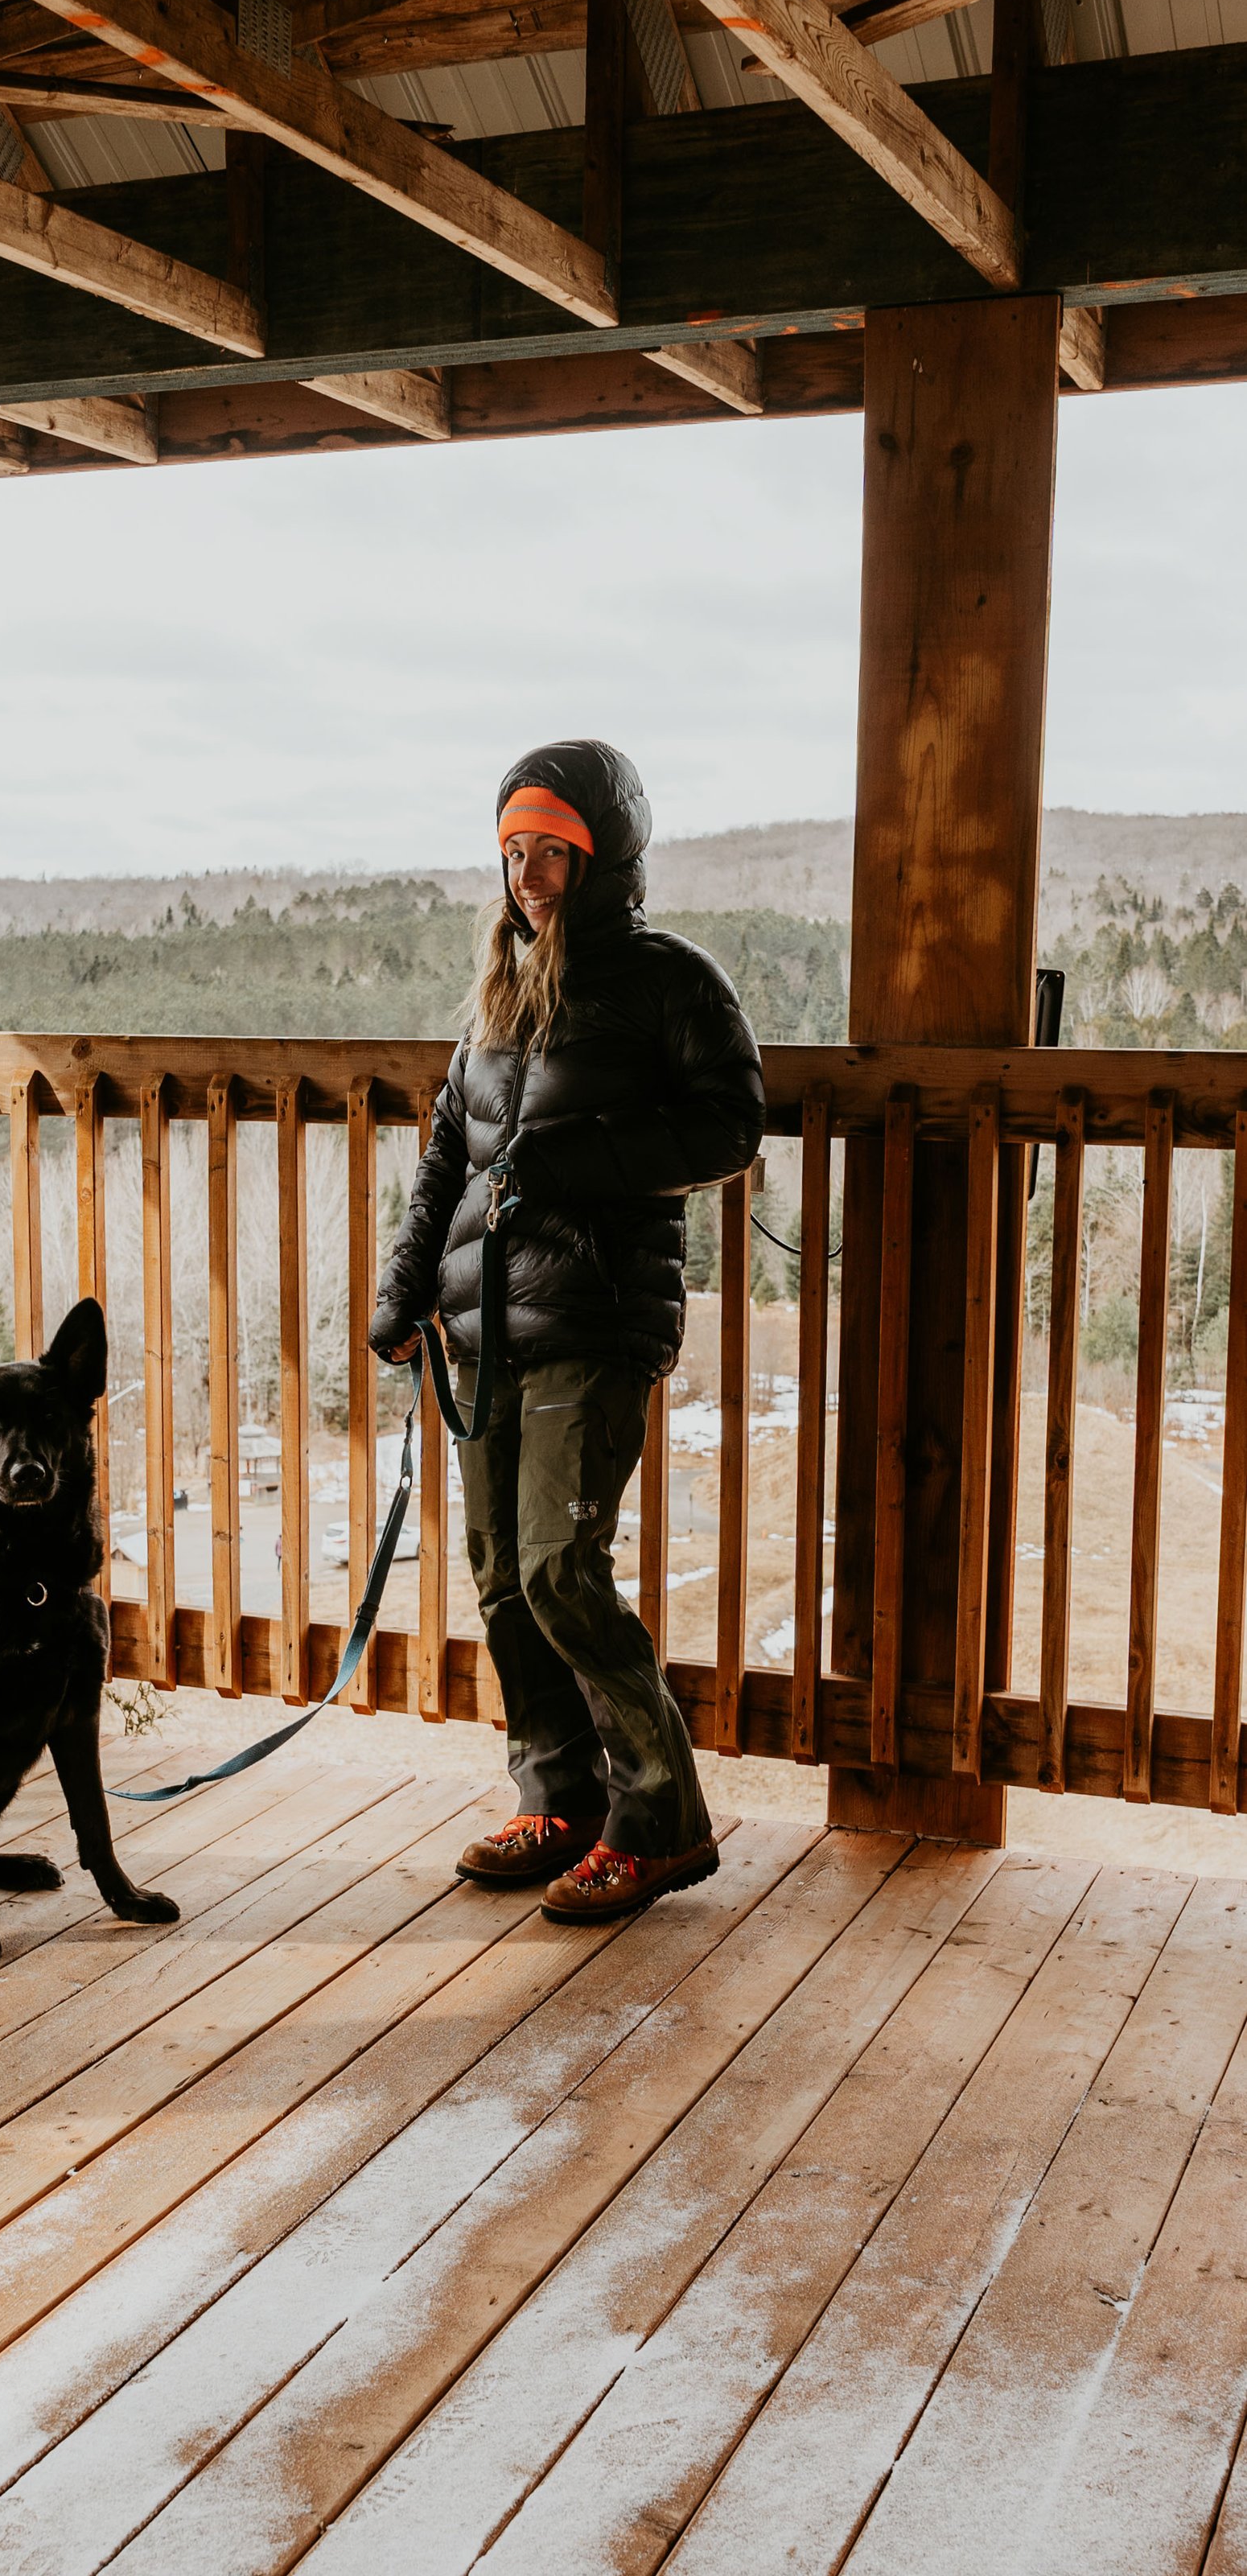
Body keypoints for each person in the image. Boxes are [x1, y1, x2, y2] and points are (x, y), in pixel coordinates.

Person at [369, 739, 764, 1925]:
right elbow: (450, 1148)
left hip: (594, 1317)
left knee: (558, 1567)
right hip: (483, 1325)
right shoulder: (500, 987)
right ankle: (560, 1798)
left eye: (552, 850)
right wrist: (402, 1292)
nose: (529, 872)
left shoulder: (667, 981)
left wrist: (582, 1164)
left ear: (604, 857)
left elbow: (731, 1124)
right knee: (500, 1573)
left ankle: (659, 1822)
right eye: (514, 851)